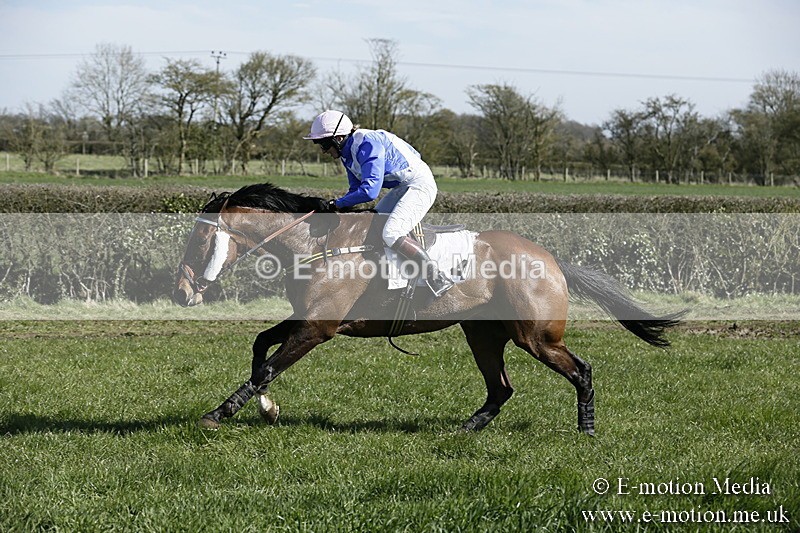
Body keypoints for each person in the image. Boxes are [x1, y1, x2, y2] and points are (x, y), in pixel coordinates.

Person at [303, 110, 454, 297]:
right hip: (402, 187)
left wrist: (337, 204)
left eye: (324, 144)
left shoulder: (367, 144)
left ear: (339, 138)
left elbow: (369, 191)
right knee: (371, 224)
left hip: (419, 185)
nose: (323, 150)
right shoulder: (346, 154)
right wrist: (336, 208)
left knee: (391, 233)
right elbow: (355, 189)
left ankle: (436, 277)